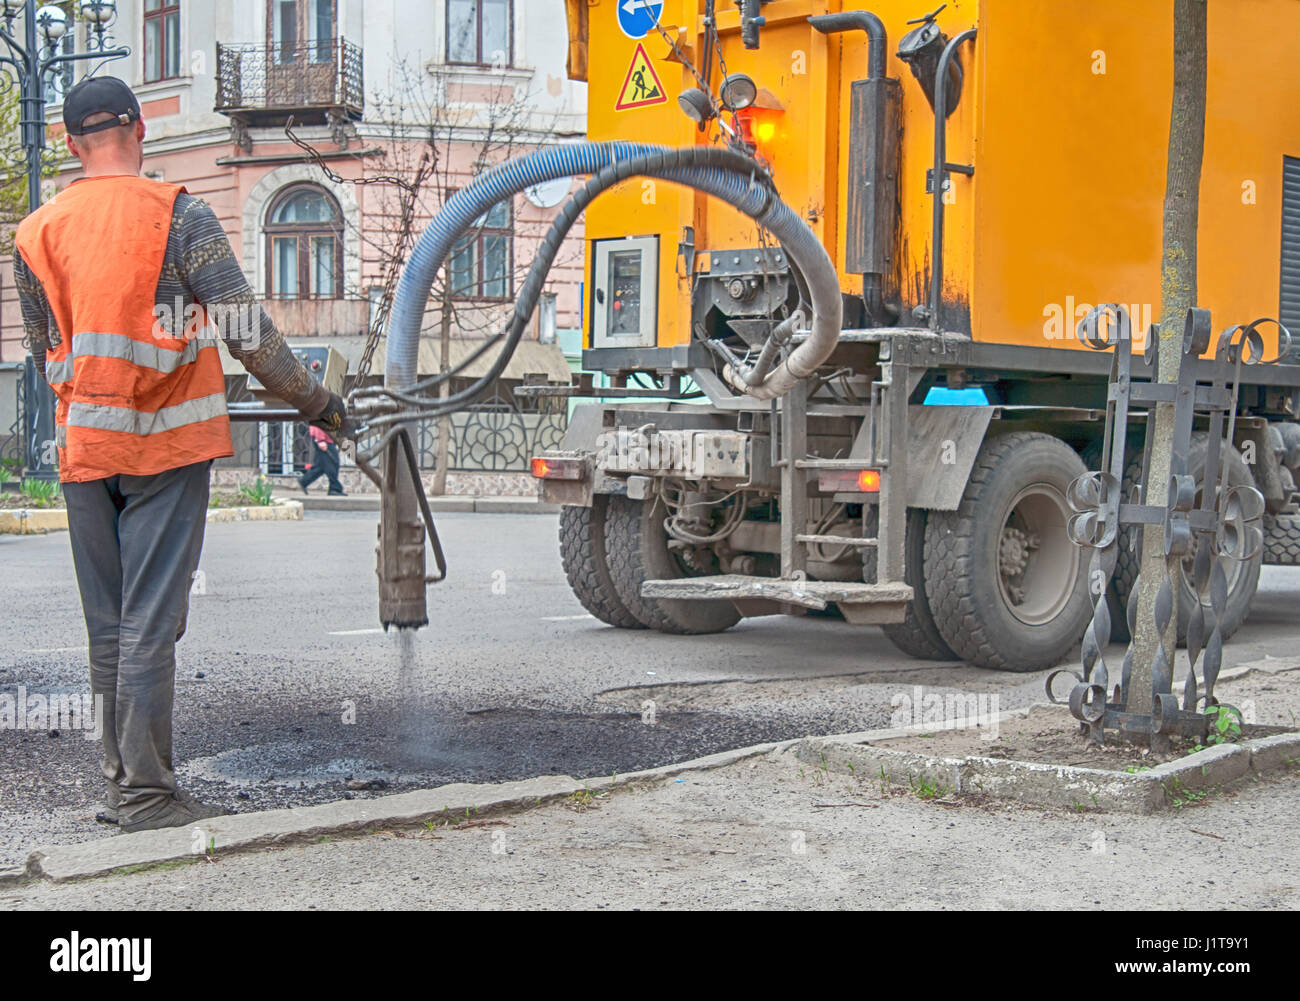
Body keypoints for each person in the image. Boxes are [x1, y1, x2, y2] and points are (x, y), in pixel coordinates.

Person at [12, 77, 357, 834]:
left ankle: (123, 782)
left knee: (109, 626)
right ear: (137, 129)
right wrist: (319, 404)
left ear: (71, 144)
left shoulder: (36, 233)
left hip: (84, 450)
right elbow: (249, 334)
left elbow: (47, 351)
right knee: (149, 623)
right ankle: (146, 795)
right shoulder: (182, 214)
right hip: (165, 446)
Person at [299, 423, 346, 496]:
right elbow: (318, 422)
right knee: (332, 463)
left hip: (327, 439)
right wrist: (320, 440)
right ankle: (334, 489)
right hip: (324, 440)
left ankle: (304, 481)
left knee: (321, 466)